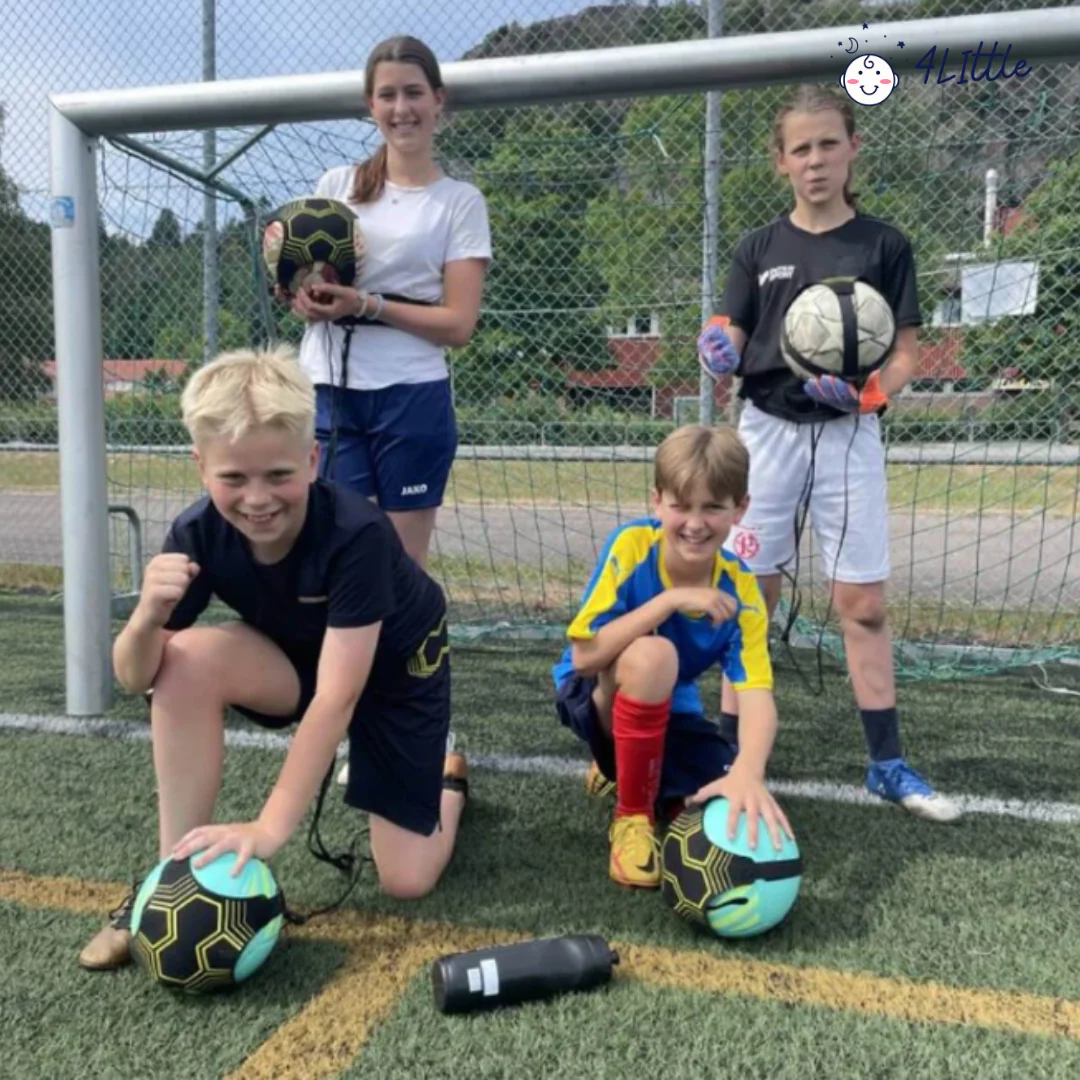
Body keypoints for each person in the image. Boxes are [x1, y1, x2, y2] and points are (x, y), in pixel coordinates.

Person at [78, 346, 469, 972]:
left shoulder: (358, 533)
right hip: (301, 658)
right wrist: (146, 617)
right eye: (234, 478)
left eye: (279, 475)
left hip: (394, 673)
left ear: (312, 460)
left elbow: (338, 696)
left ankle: (446, 778)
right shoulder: (196, 533)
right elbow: (134, 677)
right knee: (184, 658)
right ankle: (166, 877)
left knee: (406, 880)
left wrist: (268, 828)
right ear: (201, 466)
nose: (257, 498)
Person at [697, 85, 961, 823]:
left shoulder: (883, 245)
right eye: (801, 148)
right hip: (767, 433)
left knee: (862, 603)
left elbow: (905, 352)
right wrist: (717, 345)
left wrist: (870, 394)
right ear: (781, 161)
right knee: (751, 598)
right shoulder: (758, 248)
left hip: (848, 432)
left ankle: (887, 764)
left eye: (828, 145)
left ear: (853, 150)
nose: (815, 160)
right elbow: (731, 330)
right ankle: (730, 753)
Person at [552, 424, 793, 889]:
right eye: (681, 506)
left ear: (740, 508)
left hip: (671, 705)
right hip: (591, 693)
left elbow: (757, 694)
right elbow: (584, 658)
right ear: (658, 501)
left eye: (713, 507)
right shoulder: (632, 547)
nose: (695, 524)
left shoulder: (741, 590)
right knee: (654, 655)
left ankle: (620, 765)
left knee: (716, 796)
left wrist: (749, 771)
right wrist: (669, 601)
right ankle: (631, 818)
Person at [291, 34, 491, 571]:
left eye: (414, 93)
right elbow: (306, 284)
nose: (401, 109)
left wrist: (365, 304)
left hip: (411, 395)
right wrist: (306, 301)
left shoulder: (459, 202)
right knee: (339, 554)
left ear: (438, 100)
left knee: (402, 564)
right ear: (370, 105)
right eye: (387, 95)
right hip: (328, 389)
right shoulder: (337, 185)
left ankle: (404, 633)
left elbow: (458, 325)